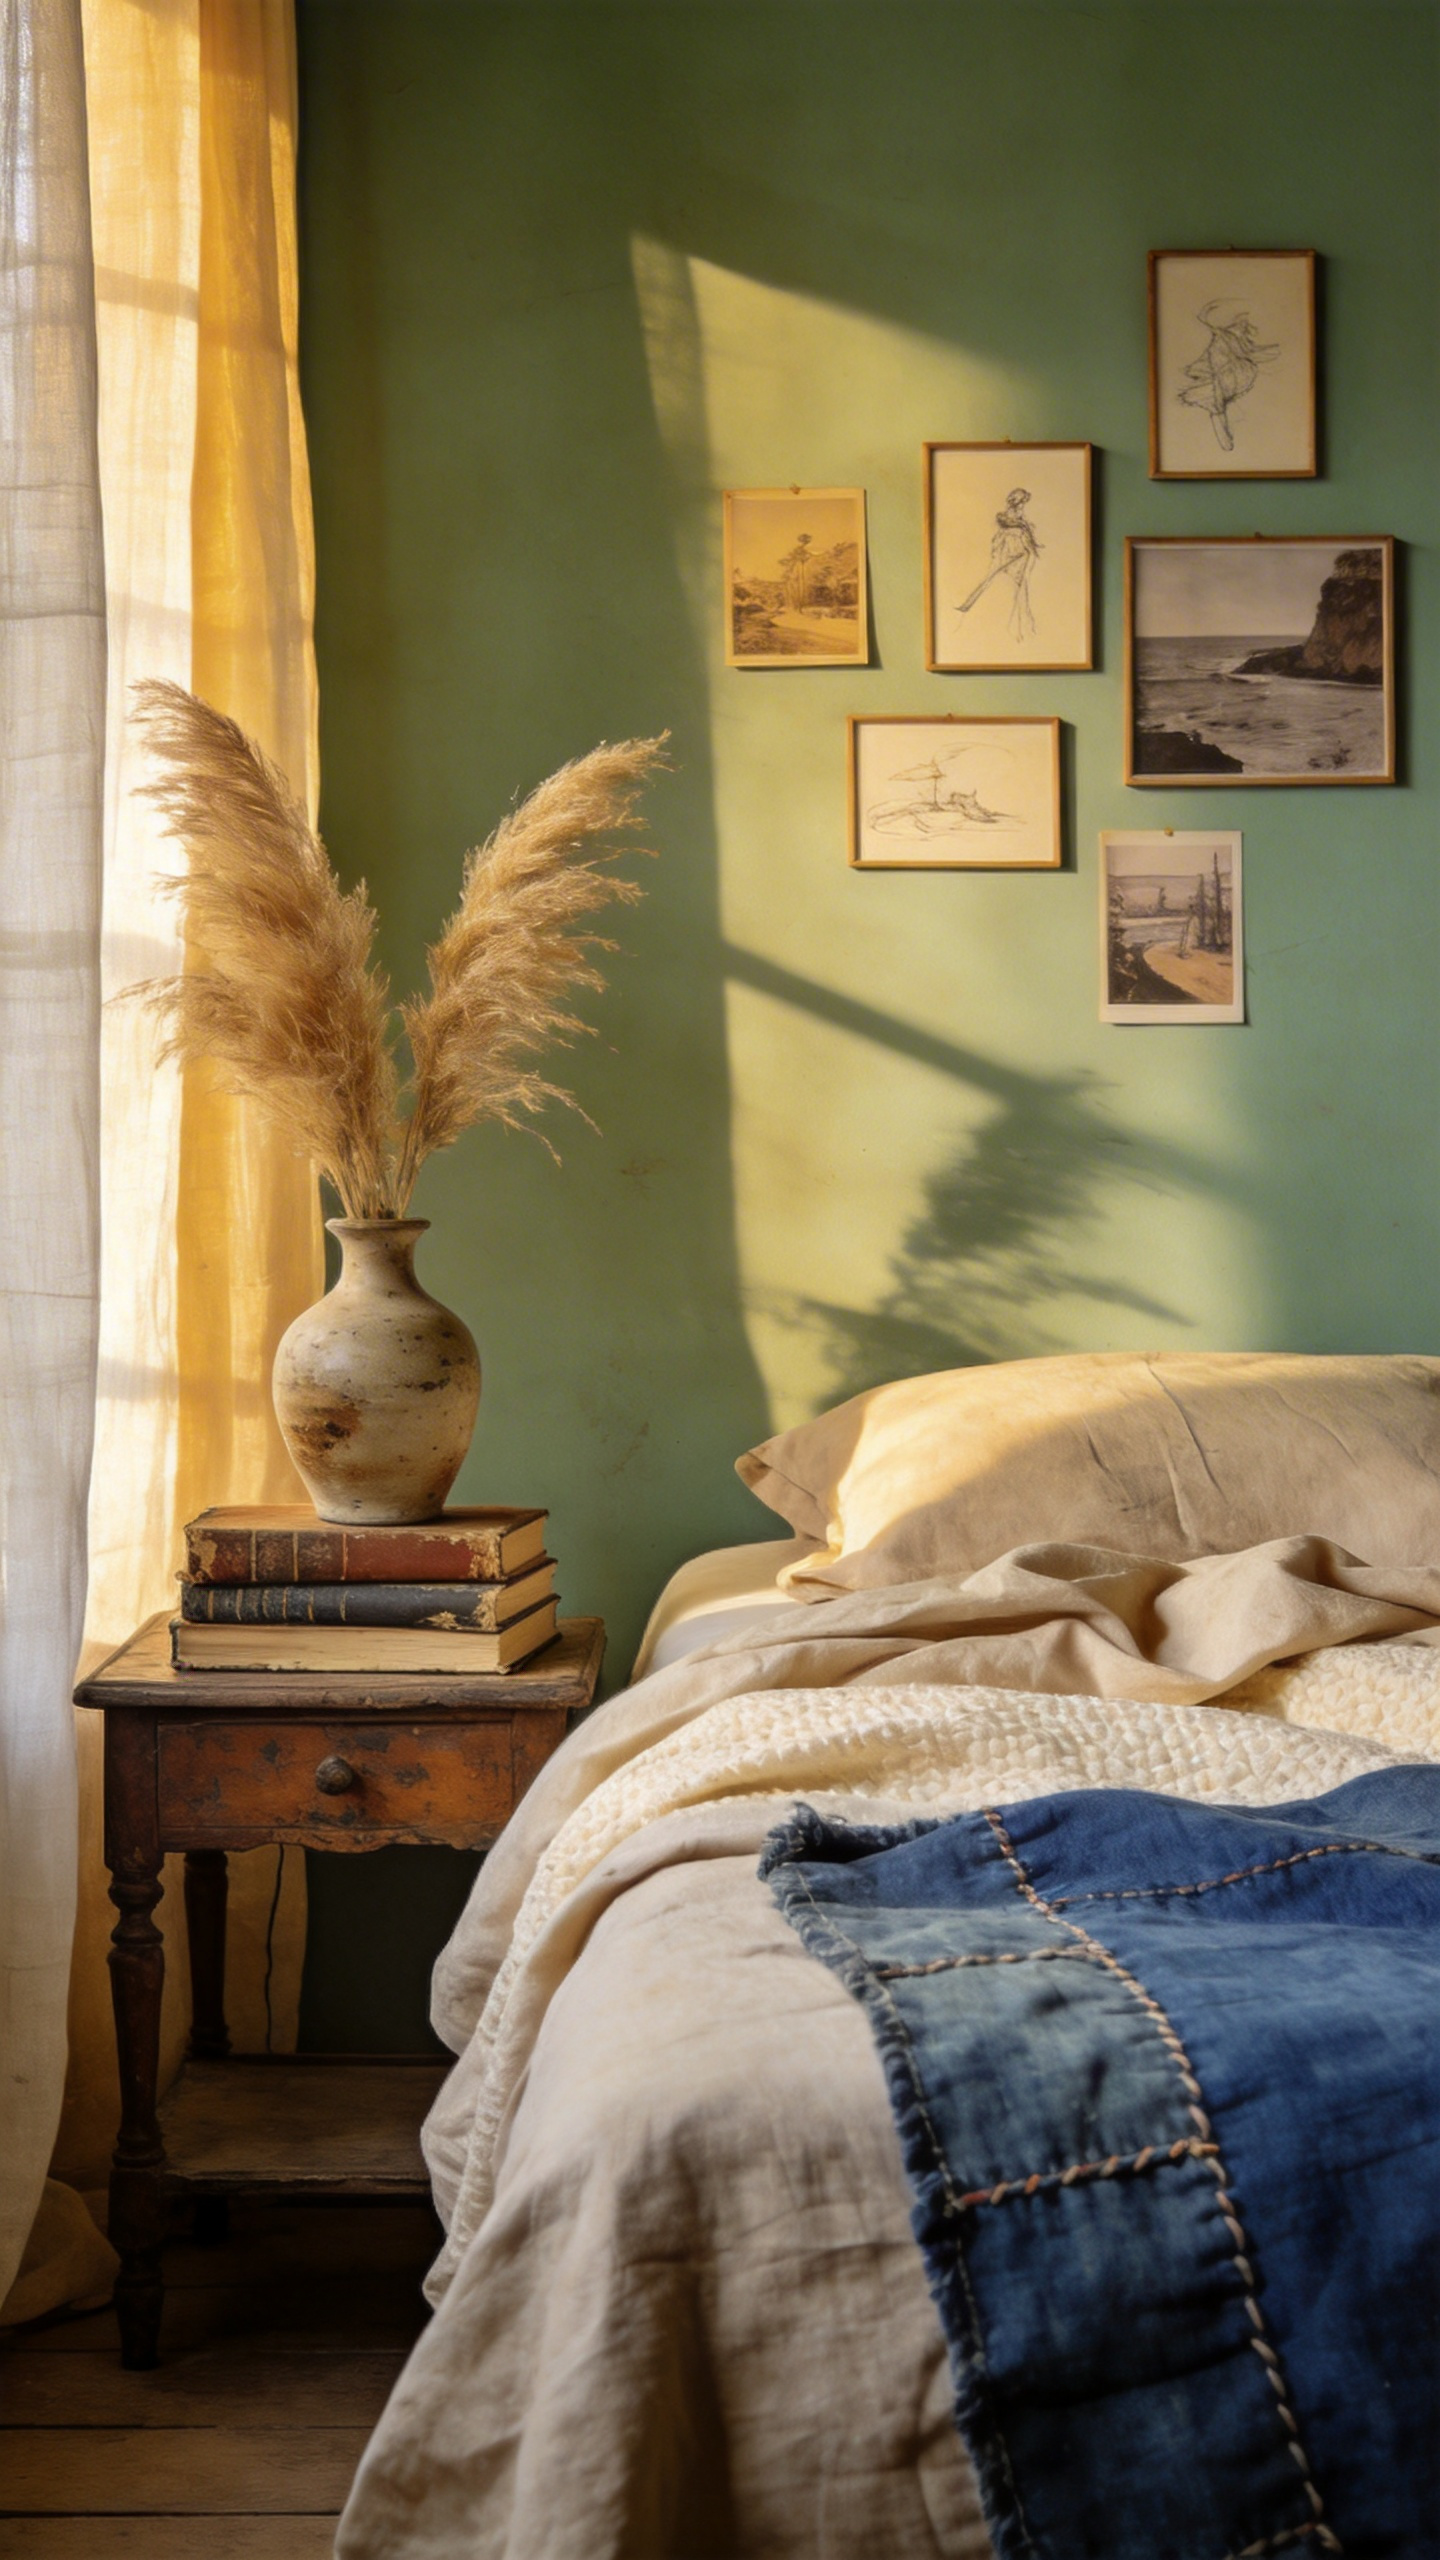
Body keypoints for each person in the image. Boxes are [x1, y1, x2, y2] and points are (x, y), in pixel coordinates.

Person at [958, 487, 1041, 640]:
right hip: (1010, 570)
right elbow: (1011, 551)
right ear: (1017, 504)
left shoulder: (1018, 524)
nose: (1023, 508)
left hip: (1014, 569)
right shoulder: (1012, 527)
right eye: (1022, 504)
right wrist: (1026, 550)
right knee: (1005, 595)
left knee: (1014, 596)